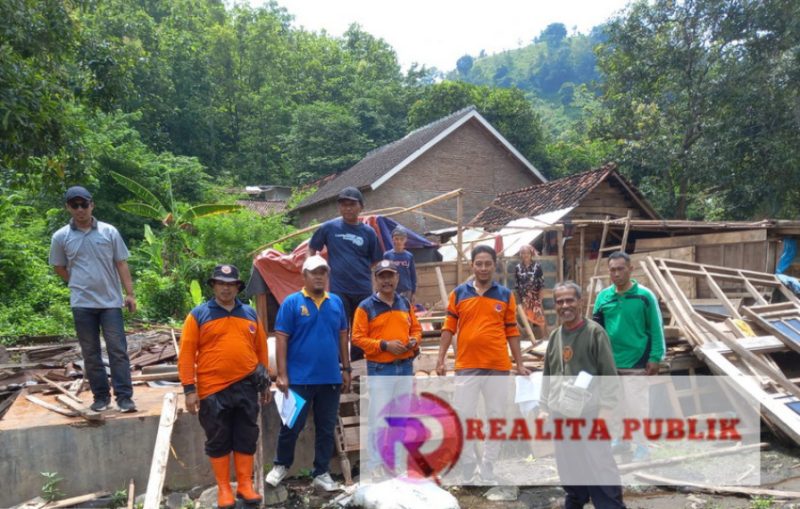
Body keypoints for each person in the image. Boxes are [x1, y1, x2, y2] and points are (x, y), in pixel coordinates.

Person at [178, 264, 270, 509]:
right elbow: (186, 354)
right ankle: (223, 489)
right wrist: (189, 390)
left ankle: (244, 485)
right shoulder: (199, 315)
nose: (226, 288)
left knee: (246, 434)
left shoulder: (250, 314)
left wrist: (265, 384)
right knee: (218, 438)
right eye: (221, 283)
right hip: (212, 389)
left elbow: (261, 349)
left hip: (247, 386)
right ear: (213, 286)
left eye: (230, 284)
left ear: (237, 287)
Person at [435, 245, 530, 482]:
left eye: (488, 263)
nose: (484, 268)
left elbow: (512, 332)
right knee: (464, 415)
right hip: (466, 365)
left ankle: (488, 465)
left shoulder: (505, 295)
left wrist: (518, 363)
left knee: (496, 417)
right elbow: (448, 328)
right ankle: (468, 464)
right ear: (472, 265)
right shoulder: (459, 293)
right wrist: (440, 359)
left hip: (498, 366)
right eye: (479, 263)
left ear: (494, 265)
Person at [265, 255, 351, 492]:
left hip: (330, 378)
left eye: (323, 272)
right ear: (304, 276)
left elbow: (343, 335)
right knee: (291, 425)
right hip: (299, 378)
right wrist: (281, 374)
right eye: (314, 272)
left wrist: (346, 368)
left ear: (327, 275)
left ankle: (321, 473)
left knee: (326, 428)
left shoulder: (336, 303)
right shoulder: (292, 303)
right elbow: (281, 339)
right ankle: (281, 465)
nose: (319, 276)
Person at [49, 186, 137, 413]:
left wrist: (129, 294)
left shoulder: (109, 232)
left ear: (92, 205)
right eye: (75, 205)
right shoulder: (61, 237)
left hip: (110, 303)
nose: (80, 210)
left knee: (118, 350)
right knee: (90, 353)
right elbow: (58, 266)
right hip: (82, 304)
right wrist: (75, 282)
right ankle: (100, 397)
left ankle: (124, 397)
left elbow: (121, 263)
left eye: (84, 204)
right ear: (68, 207)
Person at [540, 281, 624, 509]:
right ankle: (575, 501)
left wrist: (605, 414)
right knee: (569, 467)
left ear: (581, 302)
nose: (565, 305)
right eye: (560, 301)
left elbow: (609, 375)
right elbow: (548, 374)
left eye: (570, 300)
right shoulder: (556, 336)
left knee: (599, 465)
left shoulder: (594, 333)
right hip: (561, 414)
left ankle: (610, 505)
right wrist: (544, 408)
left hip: (590, 415)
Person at [592, 251, 665, 461]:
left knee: (637, 405)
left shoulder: (644, 296)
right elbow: (596, 330)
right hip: (610, 363)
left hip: (637, 360)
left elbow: (655, 328)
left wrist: (655, 357)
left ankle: (642, 446)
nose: (616, 273)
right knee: (615, 405)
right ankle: (621, 440)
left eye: (620, 269)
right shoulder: (603, 297)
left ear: (630, 269)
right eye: (612, 270)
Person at [352, 260, 421, 478]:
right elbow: (357, 338)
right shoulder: (365, 307)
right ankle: (375, 465)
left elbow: (417, 329)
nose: (386, 280)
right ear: (376, 279)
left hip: (405, 367)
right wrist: (384, 345)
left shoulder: (404, 303)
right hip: (381, 369)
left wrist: (413, 341)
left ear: (397, 278)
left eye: (390, 276)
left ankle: (398, 464)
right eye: (382, 276)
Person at [308, 187, 382, 361]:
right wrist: (311, 268)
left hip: (363, 289)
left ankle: (356, 368)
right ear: (339, 208)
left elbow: (376, 261)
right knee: (339, 328)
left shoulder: (369, 233)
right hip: (338, 289)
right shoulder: (329, 228)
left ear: (361, 207)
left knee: (360, 330)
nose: (348, 208)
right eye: (344, 205)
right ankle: (340, 367)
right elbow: (312, 247)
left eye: (352, 204)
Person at [514, 244, 548, 337]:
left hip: (535, 296)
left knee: (539, 318)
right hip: (524, 297)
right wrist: (519, 300)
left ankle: (544, 338)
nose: (525, 255)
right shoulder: (518, 268)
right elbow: (517, 284)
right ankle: (531, 339)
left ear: (531, 254)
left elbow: (541, 283)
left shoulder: (537, 266)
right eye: (523, 253)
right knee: (527, 318)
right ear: (520, 254)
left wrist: (540, 299)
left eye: (527, 253)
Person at [383, 226, 417, 303]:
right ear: (392, 239)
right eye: (396, 239)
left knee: (405, 312)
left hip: (406, 290)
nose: (398, 241)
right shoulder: (387, 255)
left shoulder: (409, 256)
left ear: (405, 240)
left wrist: (413, 292)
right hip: (391, 289)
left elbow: (413, 275)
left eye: (401, 239)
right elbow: (384, 274)